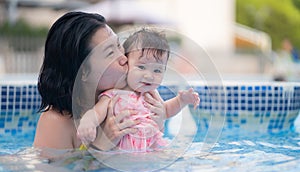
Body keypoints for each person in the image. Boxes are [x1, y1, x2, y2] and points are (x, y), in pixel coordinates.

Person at [33, 12, 165, 150]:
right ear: (83, 71)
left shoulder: (132, 98)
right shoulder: (56, 122)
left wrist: (159, 122)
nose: (124, 58)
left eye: (118, 45)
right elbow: (55, 170)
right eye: (110, 53)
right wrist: (101, 145)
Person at [77, 29, 200, 152]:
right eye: (141, 67)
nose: (149, 76)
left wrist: (181, 101)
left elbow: (166, 111)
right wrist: (88, 123)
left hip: (152, 151)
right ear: (127, 63)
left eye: (157, 70)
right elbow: (97, 112)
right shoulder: (112, 95)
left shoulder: (152, 95)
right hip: (122, 154)